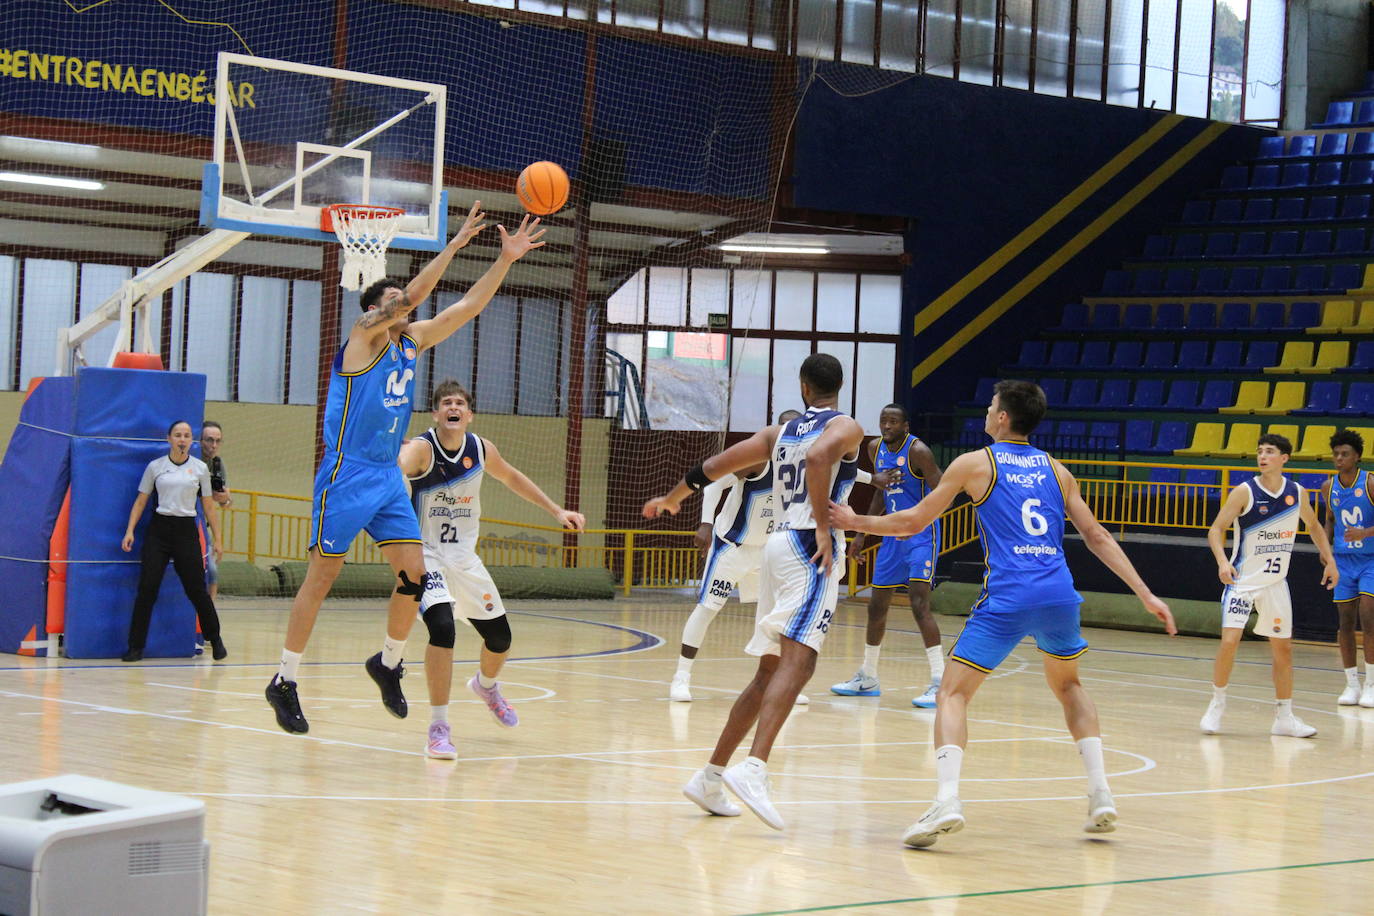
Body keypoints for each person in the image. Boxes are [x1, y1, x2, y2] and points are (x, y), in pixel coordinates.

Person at [831, 380, 1175, 848]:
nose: (987, 413)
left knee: (951, 694)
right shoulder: (1057, 470)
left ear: (1002, 418)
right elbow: (1097, 537)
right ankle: (1101, 794)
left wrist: (857, 522)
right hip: (1059, 595)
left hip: (1009, 598)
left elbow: (913, 521)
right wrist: (1146, 594)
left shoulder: (976, 463)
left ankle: (947, 800)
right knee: (1070, 687)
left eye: (991, 407)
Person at [265, 204, 545, 735]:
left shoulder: (411, 343)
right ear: (375, 310)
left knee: (415, 577)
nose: (405, 306)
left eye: (402, 302)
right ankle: (284, 679)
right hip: (346, 475)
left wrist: (505, 259)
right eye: (393, 302)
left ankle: (388, 662)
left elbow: (467, 306)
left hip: (387, 481)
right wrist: (456, 245)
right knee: (322, 578)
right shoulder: (362, 339)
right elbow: (414, 297)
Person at [646, 353, 863, 831]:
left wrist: (671, 499)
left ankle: (710, 776)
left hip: (776, 546)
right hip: (809, 546)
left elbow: (712, 467)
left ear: (803, 387)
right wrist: (825, 528)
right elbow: (819, 456)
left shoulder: (775, 433)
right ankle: (755, 767)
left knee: (769, 670)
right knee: (801, 661)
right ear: (838, 386)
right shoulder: (848, 426)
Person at [398, 380, 585, 759]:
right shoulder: (421, 450)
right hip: (427, 556)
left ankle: (485, 686)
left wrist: (557, 511)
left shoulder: (481, 449)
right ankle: (439, 727)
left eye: (460, 403)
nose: (454, 407)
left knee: (499, 639)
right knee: (442, 628)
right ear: (436, 414)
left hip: (465, 559)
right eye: (446, 403)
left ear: (469, 415)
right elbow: (394, 471)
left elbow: (514, 478)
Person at [1199, 433, 1338, 738]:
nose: (1262, 456)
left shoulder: (1297, 492)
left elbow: (1314, 526)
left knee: (1284, 650)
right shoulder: (1244, 491)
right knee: (1229, 642)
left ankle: (1284, 717)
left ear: (1284, 458)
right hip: (1241, 582)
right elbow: (1216, 530)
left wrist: (1330, 560)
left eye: (1270, 451)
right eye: (1259, 451)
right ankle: (1217, 704)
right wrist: (1223, 561)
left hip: (1275, 584)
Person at [670, 409, 804, 704]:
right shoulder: (758, 461)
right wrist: (705, 523)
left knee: (778, 616)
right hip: (732, 546)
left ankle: (781, 682)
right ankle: (682, 676)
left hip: (768, 551)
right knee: (708, 608)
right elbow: (715, 482)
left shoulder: (801, 468)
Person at [833, 404, 946, 707]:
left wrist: (919, 520)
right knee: (876, 606)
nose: (887, 426)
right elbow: (879, 493)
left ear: (905, 426)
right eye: (883, 420)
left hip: (921, 534)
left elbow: (943, 491)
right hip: (891, 535)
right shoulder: (874, 448)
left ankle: (939, 682)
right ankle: (868, 676)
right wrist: (861, 534)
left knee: (919, 604)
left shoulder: (918, 451)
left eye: (893, 421)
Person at [121, 420, 226, 662]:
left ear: (192, 441)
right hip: (159, 530)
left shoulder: (200, 469)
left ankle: (216, 639)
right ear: (169, 439)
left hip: (186, 531)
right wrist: (130, 530)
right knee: (147, 588)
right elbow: (141, 501)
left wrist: (217, 540)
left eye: (187, 435)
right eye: (178, 435)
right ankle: (135, 647)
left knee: (197, 590)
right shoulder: (155, 467)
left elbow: (209, 506)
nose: (182, 439)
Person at [1322, 429, 1374, 706]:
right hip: (1343, 562)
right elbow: (1329, 520)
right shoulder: (1328, 487)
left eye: (1345, 454)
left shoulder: (1371, 483)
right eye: (1336, 454)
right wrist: (1326, 550)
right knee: (1344, 622)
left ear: (1357, 457)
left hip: (1371, 560)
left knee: (1368, 618)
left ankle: (1371, 685)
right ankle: (1351, 684)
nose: (1339, 458)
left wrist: (1365, 532)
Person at [200, 421, 230, 603]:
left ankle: (209, 613)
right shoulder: (191, 460)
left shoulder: (218, 464)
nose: (213, 445)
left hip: (202, 526)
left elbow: (225, 503)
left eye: (218, 441)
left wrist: (224, 497)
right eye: (209, 440)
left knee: (212, 570)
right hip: (183, 521)